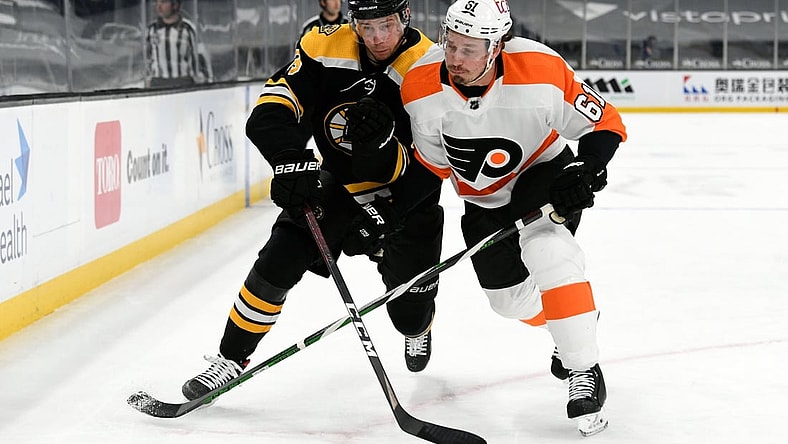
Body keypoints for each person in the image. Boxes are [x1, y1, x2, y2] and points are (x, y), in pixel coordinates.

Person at [181, 0, 444, 401]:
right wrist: (289, 159)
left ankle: (418, 327)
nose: (376, 38)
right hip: (339, 185)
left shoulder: (429, 65)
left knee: (408, 312)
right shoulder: (326, 46)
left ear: (405, 17)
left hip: (405, 194)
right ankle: (230, 358)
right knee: (280, 257)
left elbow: (435, 159)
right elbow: (275, 105)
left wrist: (392, 208)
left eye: (386, 25)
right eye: (366, 26)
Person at [400, 0, 626, 437]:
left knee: (548, 249)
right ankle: (573, 320)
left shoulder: (540, 68)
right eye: (451, 45)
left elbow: (605, 123)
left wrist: (586, 168)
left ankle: (584, 369)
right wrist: (389, 215)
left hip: (542, 178)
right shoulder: (419, 87)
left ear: (497, 46)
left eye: (470, 49)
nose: (456, 58)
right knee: (508, 303)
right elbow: (433, 167)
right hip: (481, 203)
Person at [145, 0, 212, 88]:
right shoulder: (151, 29)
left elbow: (199, 56)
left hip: (183, 82)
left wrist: (206, 81)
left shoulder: (188, 29)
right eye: (156, 2)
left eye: (163, 2)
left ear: (175, 5)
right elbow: (147, 57)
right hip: (158, 82)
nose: (158, 6)